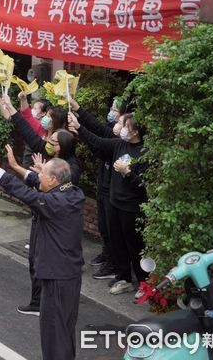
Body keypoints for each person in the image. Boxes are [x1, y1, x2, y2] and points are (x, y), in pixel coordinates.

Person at [0, 149, 84, 360]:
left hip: (57, 277)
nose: (38, 176)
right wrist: (18, 168)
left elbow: (24, 193)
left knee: (54, 333)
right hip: (69, 274)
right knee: (65, 329)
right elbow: (37, 182)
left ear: (53, 180)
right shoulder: (73, 192)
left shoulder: (54, 203)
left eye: (43, 175)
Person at [68, 111, 149, 297]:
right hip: (115, 203)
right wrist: (79, 127)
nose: (122, 130)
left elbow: (145, 187)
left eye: (126, 126)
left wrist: (128, 172)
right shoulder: (120, 144)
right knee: (117, 243)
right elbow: (97, 141)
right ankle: (124, 278)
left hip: (132, 208)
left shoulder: (144, 153)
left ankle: (145, 283)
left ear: (136, 132)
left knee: (135, 246)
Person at [69, 97, 126, 281]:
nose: (112, 112)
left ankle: (115, 264)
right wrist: (78, 109)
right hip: (104, 185)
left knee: (112, 230)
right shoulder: (112, 131)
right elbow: (98, 133)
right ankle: (107, 255)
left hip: (114, 190)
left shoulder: (121, 140)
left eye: (115, 110)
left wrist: (79, 126)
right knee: (103, 227)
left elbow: (97, 137)